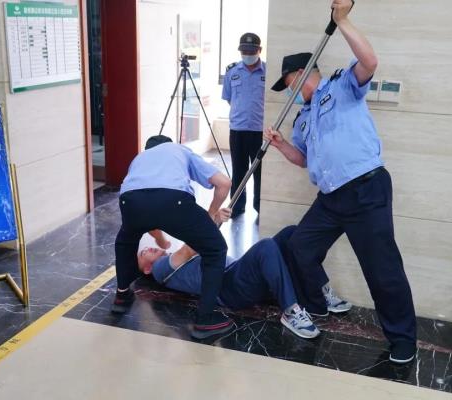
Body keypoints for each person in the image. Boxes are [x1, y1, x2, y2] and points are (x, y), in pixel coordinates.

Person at [264, 0, 417, 363]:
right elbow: (304, 160)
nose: (290, 92)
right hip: (331, 197)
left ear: (302, 73)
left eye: (289, 84)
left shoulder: (341, 86)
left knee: (381, 269)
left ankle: (403, 340)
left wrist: (342, 20)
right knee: (301, 246)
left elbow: (370, 62)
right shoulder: (302, 118)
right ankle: (319, 302)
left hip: (366, 188)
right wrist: (282, 144)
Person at [112, 134, 234, 340]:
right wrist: (211, 214)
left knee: (125, 241)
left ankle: (121, 297)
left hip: (130, 201)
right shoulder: (179, 150)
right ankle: (205, 320)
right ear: (170, 144)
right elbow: (224, 183)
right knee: (215, 249)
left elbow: (148, 207)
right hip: (173, 200)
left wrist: (160, 240)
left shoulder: (139, 158)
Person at [138, 225, 352, 339]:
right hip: (228, 288)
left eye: (145, 247)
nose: (147, 247)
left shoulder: (167, 262)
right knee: (266, 246)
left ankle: (318, 292)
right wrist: (213, 219)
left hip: (235, 274)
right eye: (142, 253)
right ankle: (291, 312)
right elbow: (189, 249)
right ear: (146, 269)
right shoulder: (158, 269)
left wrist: (214, 220)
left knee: (291, 233)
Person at [222, 32, 266, 219]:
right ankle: (237, 206)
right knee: (238, 170)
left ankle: (260, 208)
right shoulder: (232, 71)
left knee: (260, 172)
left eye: (251, 51)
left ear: (259, 50)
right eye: (244, 51)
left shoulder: (268, 72)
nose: (247, 54)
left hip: (260, 131)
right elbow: (229, 98)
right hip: (238, 130)